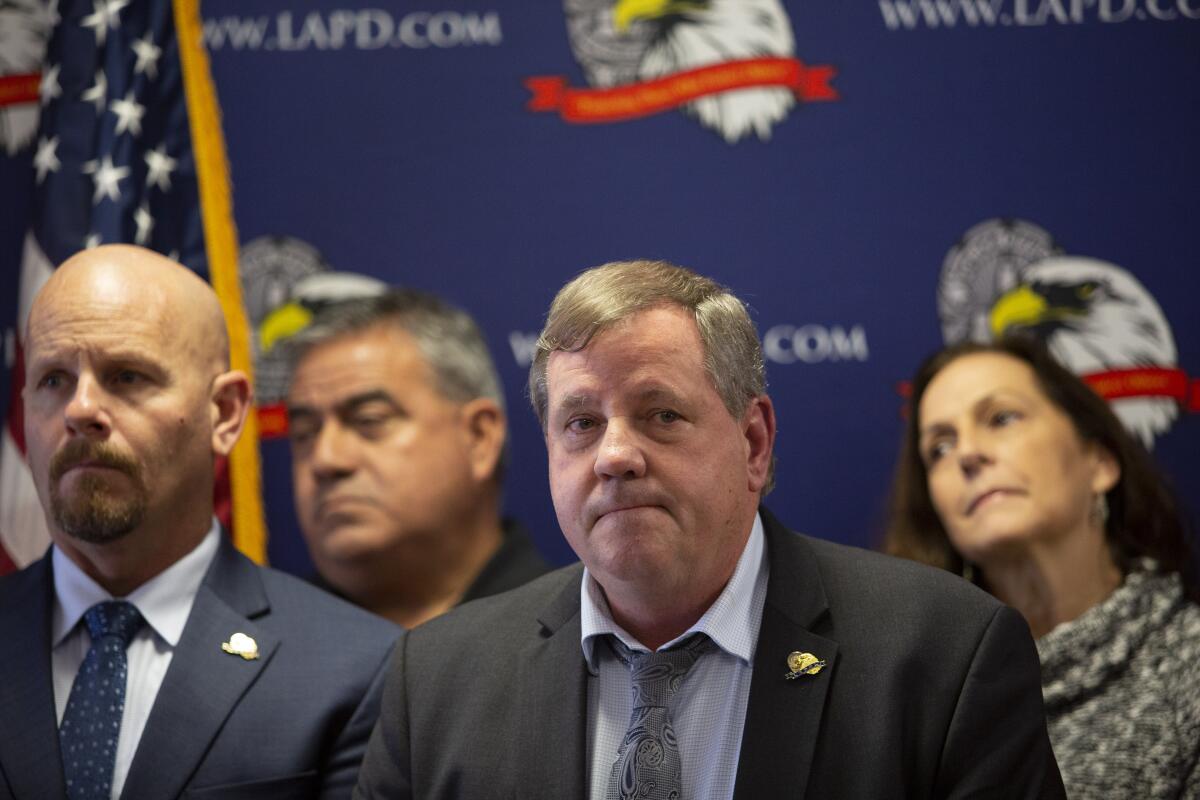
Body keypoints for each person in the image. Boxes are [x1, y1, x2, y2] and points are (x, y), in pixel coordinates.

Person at [354, 260, 1065, 798]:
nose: (615, 456)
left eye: (661, 414)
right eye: (581, 423)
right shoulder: (437, 682)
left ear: (754, 442)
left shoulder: (943, 657)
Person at [0, 245, 399, 800]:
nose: (80, 408)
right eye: (52, 381)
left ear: (226, 413)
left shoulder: (355, 671)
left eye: (126, 376)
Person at [885, 335, 1200, 799]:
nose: (968, 455)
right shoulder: (909, 690)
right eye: (940, 447)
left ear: (1099, 462)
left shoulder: (1188, 665)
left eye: (1001, 418)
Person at [285, 290, 551, 628]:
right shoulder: (265, 656)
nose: (325, 459)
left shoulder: (577, 642)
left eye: (369, 420)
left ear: (479, 438)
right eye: (304, 434)